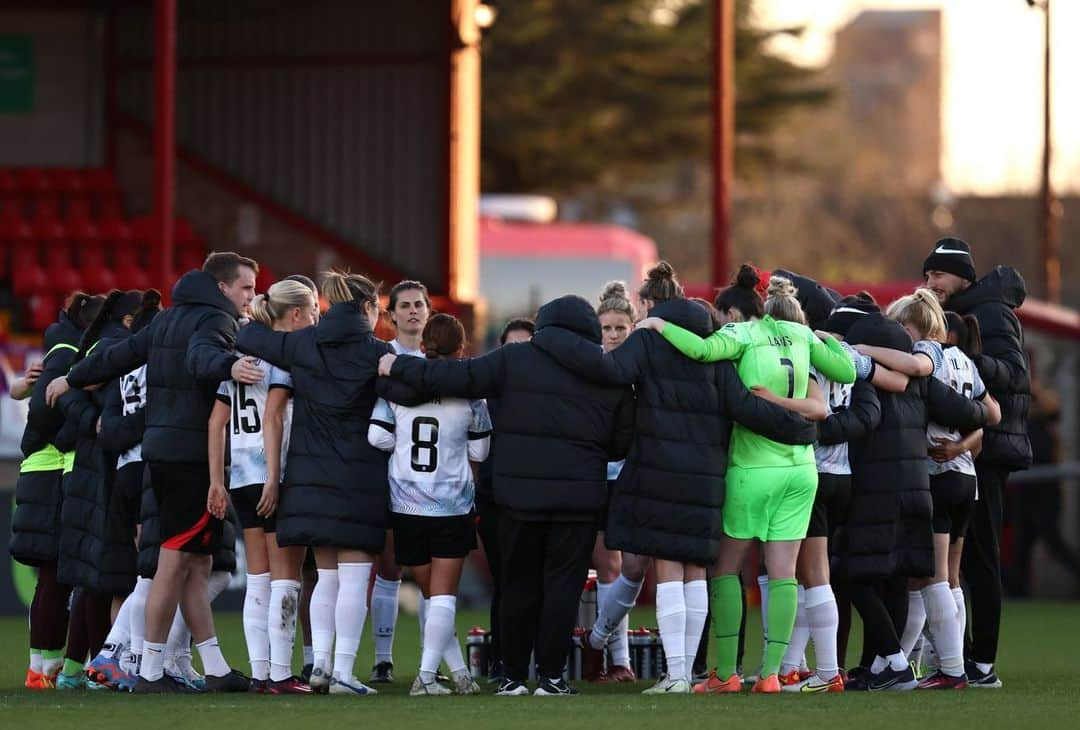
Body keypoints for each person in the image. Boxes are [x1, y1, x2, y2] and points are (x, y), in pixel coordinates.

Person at [537, 266, 822, 695]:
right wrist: (801, 430)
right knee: (696, 573)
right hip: (708, 477)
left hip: (660, 469)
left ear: (651, 306)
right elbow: (746, 407)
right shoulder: (715, 346)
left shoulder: (649, 339)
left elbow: (611, 371)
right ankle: (688, 674)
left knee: (669, 569)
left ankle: (673, 676)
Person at [378, 294, 634, 697]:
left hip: (518, 497)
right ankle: (552, 677)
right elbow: (620, 444)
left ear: (543, 326)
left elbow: (455, 378)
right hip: (579, 500)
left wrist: (398, 365)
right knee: (563, 589)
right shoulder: (609, 371)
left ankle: (512, 675)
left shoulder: (515, 358)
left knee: (517, 585)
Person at [47, 252, 261, 693]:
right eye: (246, 288)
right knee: (172, 562)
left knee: (197, 564)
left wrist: (72, 378)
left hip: (162, 451)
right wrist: (230, 364)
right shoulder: (215, 325)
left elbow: (119, 357)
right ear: (222, 287)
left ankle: (216, 668)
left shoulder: (165, 321)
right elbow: (203, 359)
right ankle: (148, 670)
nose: (251, 297)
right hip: (190, 456)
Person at [637, 275, 857, 694]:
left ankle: (724, 675)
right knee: (782, 574)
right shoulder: (799, 334)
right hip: (801, 468)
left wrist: (659, 326)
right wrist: (821, 337)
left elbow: (702, 350)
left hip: (752, 467)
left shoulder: (742, 333)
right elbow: (846, 371)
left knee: (725, 570)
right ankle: (772, 674)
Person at [233, 271, 393, 697]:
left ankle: (320, 665)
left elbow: (250, 338)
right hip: (359, 478)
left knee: (326, 579)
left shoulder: (303, 344)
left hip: (308, 478)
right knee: (354, 581)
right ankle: (342, 672)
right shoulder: (379, 352)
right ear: (366, 308)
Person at [835, 312, 992, 691]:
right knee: (901, 576)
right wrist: (962, 442)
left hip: (876, 489)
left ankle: (893, 660)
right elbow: (979, 412)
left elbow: (862, 422)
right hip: (920, 488)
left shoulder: (862, 375)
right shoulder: (922, 381)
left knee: (849, 573)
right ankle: (890, 666)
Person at [922, 237, 1031, 687]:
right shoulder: (960, 312)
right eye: (927, 275)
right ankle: (959, 658)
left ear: (963, 276)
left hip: (987, 448)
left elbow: (1015, 373)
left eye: (938, 274)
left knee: (981, 557)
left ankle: (982, 662)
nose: (931, 282)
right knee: (958, 562)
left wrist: (965, 360)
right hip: (967, 448)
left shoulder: (990, 313)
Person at [367, 313, 490, 696]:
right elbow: (481, 450)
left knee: (435, 599)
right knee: (443, 600)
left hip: (405, 504)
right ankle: (424, 677)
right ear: (461, 349)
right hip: (451, 505)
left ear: (422, 346)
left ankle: (459, 673)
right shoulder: (473, 395)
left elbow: (376, 438)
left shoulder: (397, 389)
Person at [208, 279, 318, 694]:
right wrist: (274, 476)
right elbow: (274, 417)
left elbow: (216, 422)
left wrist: (217, 480)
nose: (312, 320)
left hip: (239, 476)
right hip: (275, 474)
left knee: (258, 579)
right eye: (309, 312)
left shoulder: (236, 358)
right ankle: (280, 673)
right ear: (293, 314)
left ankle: (260, 672)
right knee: (286, 578)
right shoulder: (281, 358)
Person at [53, 290, 147, 690]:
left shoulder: (103, 345)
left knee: (99, 576)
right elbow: (63, 397)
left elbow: (68, 397)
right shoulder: (112, 348)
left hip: (98, 466)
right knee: (107, 575)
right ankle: (99, 665)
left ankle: (83, 668)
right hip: (101, 469)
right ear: (130, 320)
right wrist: (97, 421)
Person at [11, 293, 104, 690]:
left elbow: (20, 392)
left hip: (37, 474)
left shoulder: (58, 353)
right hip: (58, 473)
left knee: (53, 579)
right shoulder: (73, 357)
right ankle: (50, 669)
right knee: (63, 578)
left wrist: (29, 383)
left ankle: (44, 669)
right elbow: (47, 406)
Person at [85, 291, 162, 691]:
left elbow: (107, 425)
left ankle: (124, 658)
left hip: (123, 470)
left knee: (140, 574)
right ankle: (126, 658)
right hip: (150, 469)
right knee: (151, 574)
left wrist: (116, 432)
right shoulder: (159, 364)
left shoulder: (121, 369)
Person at [369, 279, 432, 684]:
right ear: (391, 316)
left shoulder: (440, 358)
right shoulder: (379, 357)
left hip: (434, 485)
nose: (412, 311)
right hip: (389, 479)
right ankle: (382, 659)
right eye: (405, 305)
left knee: (432, 576)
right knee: (389, 568)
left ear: (429, 312)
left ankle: (430, 662)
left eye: (419, 305)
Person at [474, 317, 534, 685]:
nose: (518, 354)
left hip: (535, 500)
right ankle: (503, 661)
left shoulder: (547, 397)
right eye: (511, 347)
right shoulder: (488, 398)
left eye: (525, 346)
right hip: (497, 501)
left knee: (535, 583)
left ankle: (537, 662)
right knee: (506, 582)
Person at [590, 281, 637, 683]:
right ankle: (610, 658)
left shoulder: (642, 370)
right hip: (593, 477)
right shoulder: (591, 369)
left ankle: (611, 649)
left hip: (634, 476)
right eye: (607, 328)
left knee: (627, 567)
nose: (614, 335)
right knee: (608, 565)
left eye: (620, 328)